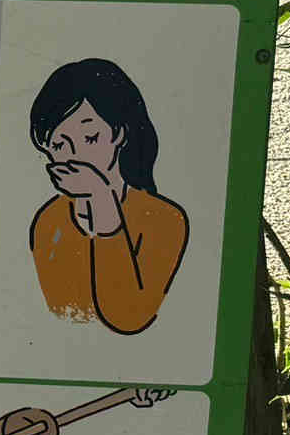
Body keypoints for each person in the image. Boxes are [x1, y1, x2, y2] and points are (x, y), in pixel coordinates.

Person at [26, 58, 188, 334]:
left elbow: (127, 317)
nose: (75, 155)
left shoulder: (164, 220)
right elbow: (61, 320)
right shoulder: (48, 221)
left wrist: (101, 199)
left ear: (120, 134)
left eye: (90, 137)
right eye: (58, 144)